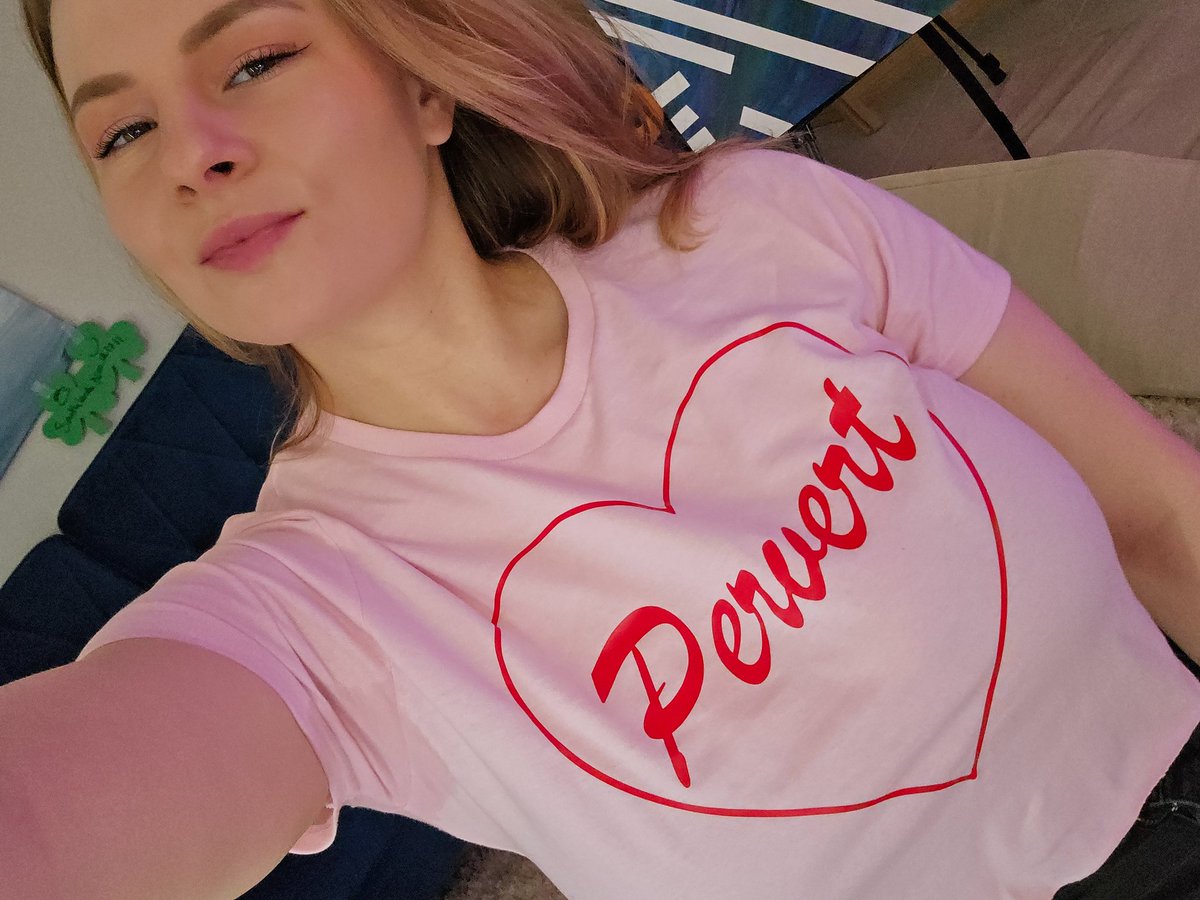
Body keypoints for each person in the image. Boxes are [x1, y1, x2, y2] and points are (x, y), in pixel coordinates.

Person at [6, 0, 1200, 897]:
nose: (190, 154)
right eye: (123, 132)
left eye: (255, 62)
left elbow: (1158, 508)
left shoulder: (753, 226)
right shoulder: (313, 609)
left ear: (423, 91)